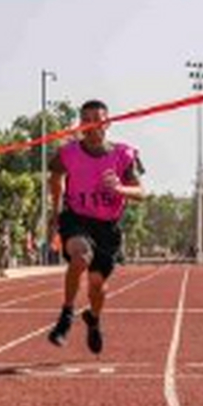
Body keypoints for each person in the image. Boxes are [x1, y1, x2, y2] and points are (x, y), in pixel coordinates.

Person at [46, 100, 146, 354]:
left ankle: (93, 319)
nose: (91, 125)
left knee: (97, 285)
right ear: (81, 125)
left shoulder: (123, 155)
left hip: (107, 227)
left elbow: (142, 192)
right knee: (80, 256)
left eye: (97, 119)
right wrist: (55, 210)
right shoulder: (67, 153)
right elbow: (55, 177)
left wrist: (119, 188)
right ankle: (67, 314)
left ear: (107, 123)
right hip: (76, 218)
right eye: (86, 119)